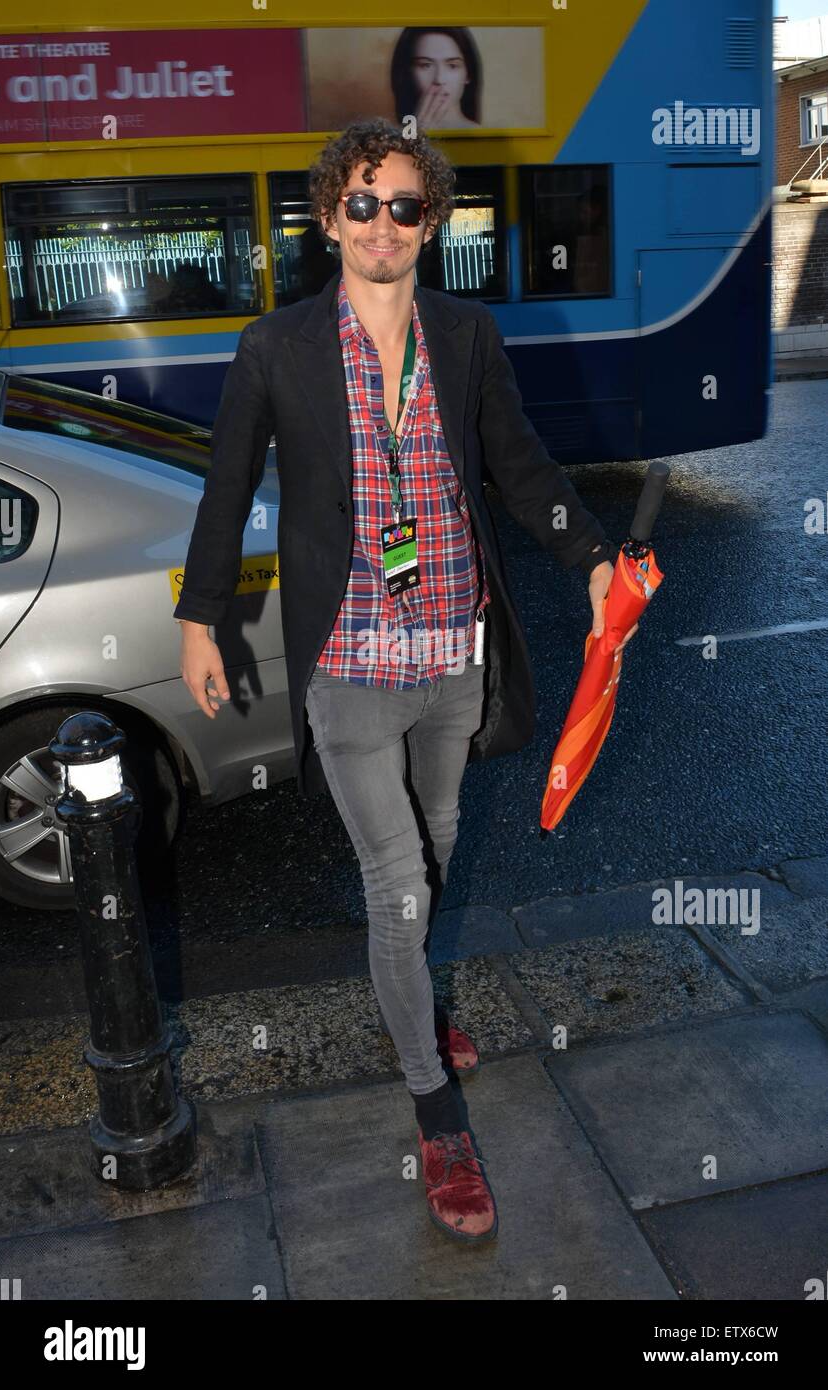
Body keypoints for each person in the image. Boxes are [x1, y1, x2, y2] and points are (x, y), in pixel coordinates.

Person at [174, 116, 637, 1244]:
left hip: (451, 652)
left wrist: (593, 559)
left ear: (432, 221)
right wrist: (201, 618)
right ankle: (435, 1108)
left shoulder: (467, 334)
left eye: (407, 205)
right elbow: (228, 486)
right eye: (364, 203)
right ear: (332, 217)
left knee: (435, 848)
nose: (384, 224)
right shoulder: (275, 347)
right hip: (347, 661)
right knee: (394, 878)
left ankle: (412, 1003)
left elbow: (520, 466)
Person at [391, 27, 482, 129]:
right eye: (425, 65)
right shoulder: (392, 139)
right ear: (408, 73)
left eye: (452, 66)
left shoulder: (486, 137)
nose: (439, 79)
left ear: (468, 74)